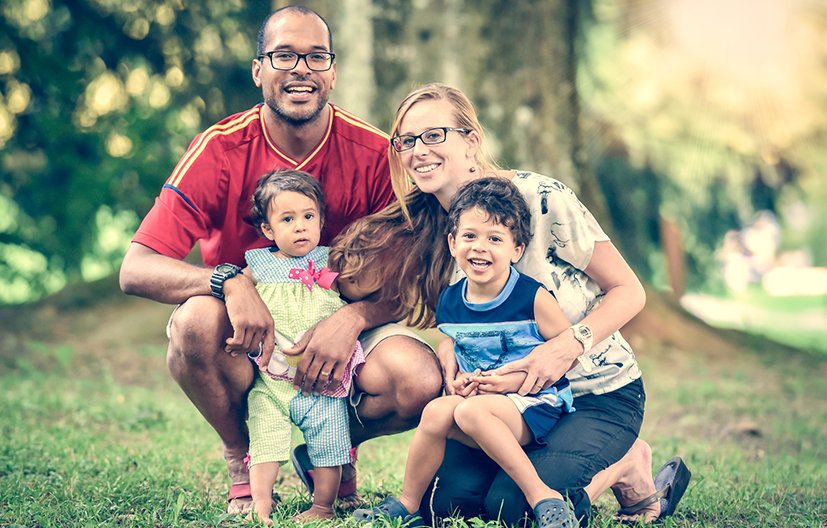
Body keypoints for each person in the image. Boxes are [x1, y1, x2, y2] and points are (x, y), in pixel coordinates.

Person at [119, 5, 442, 514]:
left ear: (332, 73)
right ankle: (242, 456)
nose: (301, 69)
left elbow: (410, 275)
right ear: (258, 70)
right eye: (284, 55)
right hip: (251, 328)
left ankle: (330, 445)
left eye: (316, 57)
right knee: (193, 325)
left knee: (418, 380)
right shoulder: (221, 149)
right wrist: (230, 283)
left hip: (345, 329)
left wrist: (353, 317)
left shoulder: (377, 154)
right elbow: (136, 267)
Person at [329, 83, 690, 525]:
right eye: (407, 140)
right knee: (445, 507)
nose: (419, 150)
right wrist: (451, 351)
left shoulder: (541, 200)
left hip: (594, 394)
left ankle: (626, 462)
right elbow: (461, 316)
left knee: (513, 511)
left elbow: (630, 291)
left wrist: (567, 345)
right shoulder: (438, 233)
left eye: (434, 135)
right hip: (504, 405)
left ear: (471, 142)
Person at [353, 177, 578, 528]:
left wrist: (511, 382)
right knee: (437, 411)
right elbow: (455, 342)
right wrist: (452, 372)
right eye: (470, 236)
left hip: (535, 403)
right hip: (480, 402)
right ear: (453, 242)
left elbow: (567, 352)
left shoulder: (532, 298)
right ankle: (407, 503)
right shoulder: (451, 300)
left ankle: (541, 495)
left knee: (471, 412)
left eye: (495, 239)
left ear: (516, 250)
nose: (479, 248)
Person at [242, 170, 364, 523]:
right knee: (265, 439)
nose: (300, 227)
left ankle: (323, 506)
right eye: (288, 219)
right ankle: (260, 505)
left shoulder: (333, 260)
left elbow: (362, 293)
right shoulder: (259, 264)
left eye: (308, 217)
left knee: (330, 444)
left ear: (321, 221)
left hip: (323, 379)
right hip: (272, 378)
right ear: (268, 229)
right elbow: (237, 294)